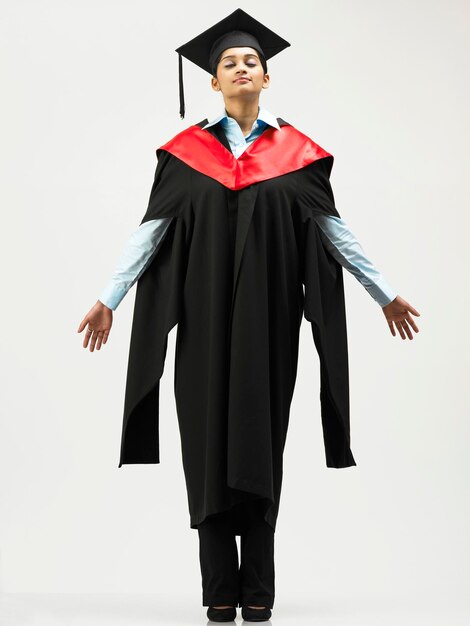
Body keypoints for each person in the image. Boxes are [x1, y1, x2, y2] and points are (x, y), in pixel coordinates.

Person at [77, 8, 421, 623]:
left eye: (251, 62)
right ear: (213, 82)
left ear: (267, 78)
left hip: (269, 328)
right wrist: (110, 296)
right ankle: (218, 586)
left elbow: (335, 233)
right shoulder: (184, 157)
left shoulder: (298, 155)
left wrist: (384, 293)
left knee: (262, 441)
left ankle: (257, 584)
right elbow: (150, 233)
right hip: (203, 330)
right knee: (206, 443)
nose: (241, 68)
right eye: (229, 63)